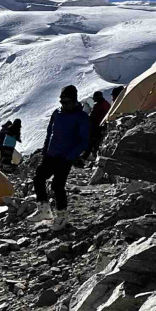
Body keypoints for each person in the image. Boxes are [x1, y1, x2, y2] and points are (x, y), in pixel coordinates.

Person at [33, 85, 95, 217]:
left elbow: (84, 141)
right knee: (38, 178)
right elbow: (50, 133)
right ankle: (43, 210)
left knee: (57, 186)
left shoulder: (81, 117)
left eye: (67, 102)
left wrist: (70, 156)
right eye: (62, 102)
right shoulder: (57, 113)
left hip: (65, 157)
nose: (64, 105)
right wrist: (45, 150)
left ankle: (62, 215)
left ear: (75, 100)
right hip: (51, 154)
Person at [86, 90, 111, 155]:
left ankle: (89, 154)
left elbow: (93, 116)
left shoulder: (98, 105)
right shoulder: (107, 103)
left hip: (97, 126)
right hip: (105, 125)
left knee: (91, 139)